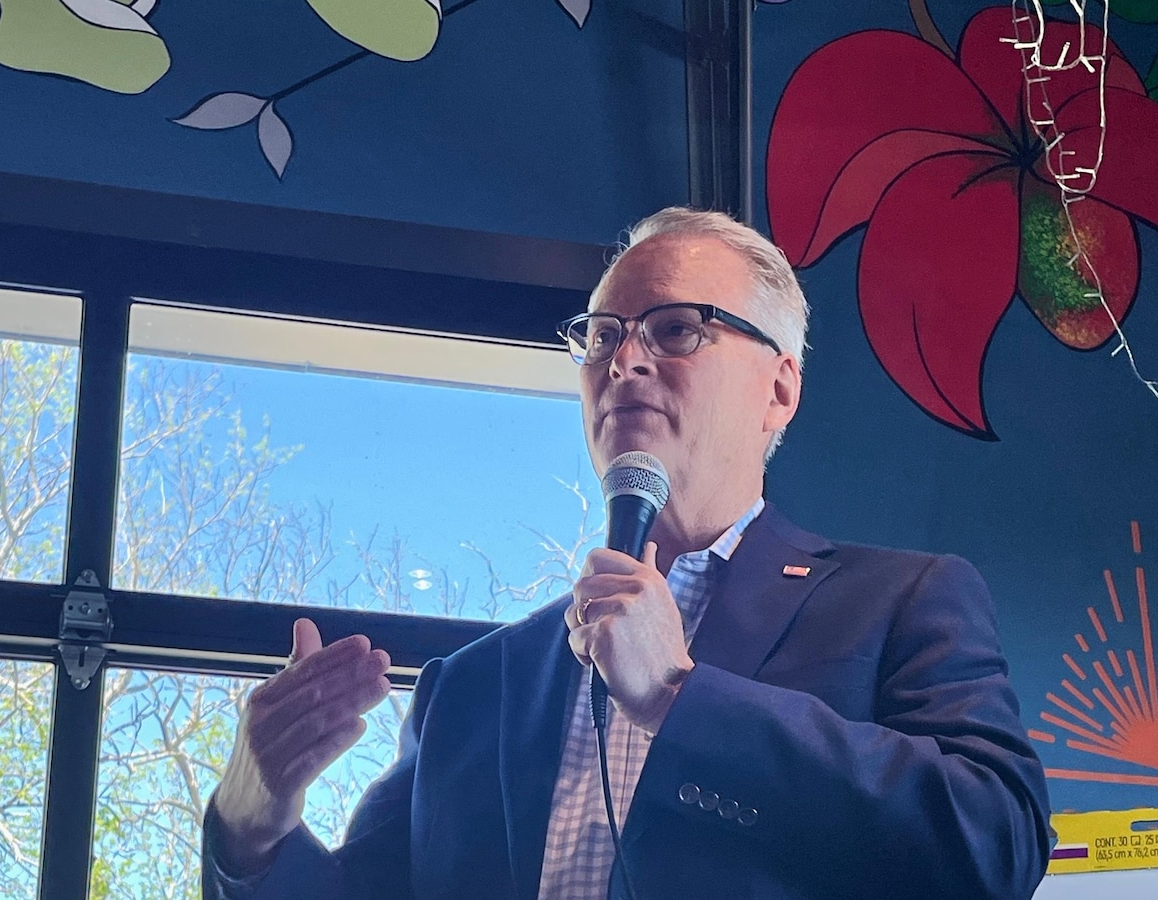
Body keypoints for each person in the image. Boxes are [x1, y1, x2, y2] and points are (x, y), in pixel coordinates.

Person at [201, 207, 1053, 899]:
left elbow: (995, 843)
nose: (623, 361)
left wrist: (680, 696)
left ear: (779, 388)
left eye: (675, 329)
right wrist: (250, 825)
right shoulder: (469, 689)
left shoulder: (899, 602)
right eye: (603, 336)